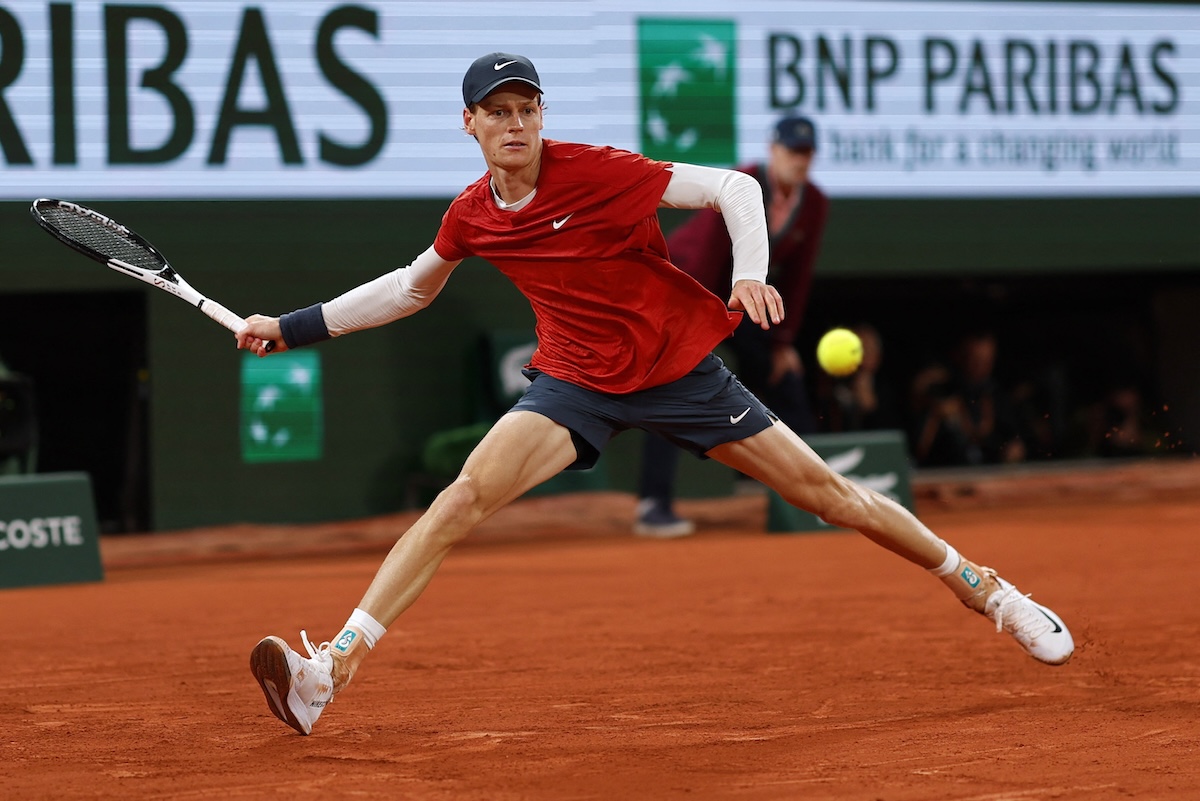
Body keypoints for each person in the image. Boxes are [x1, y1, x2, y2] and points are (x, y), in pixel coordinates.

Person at [237, 52, 1074, 737]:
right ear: (470, 124)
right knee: (460, 499)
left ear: (542, 116)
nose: (516, 123)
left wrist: (750, 274)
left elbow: (734, 189)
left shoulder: (598, 172)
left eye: (527, 107)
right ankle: (330, 672)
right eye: (497, 111)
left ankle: (990, 590)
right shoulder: (472, 215)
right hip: (574, 382)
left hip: (678, 370)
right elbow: (412, 288)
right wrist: (292, 324)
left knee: (830, 494)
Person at [635, 114, 829, 537]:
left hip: (743, 296)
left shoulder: (813, 202)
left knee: (788, 381)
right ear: (773, 150)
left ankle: (817, 499)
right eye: (792, 151)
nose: (800, 161)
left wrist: (782, 342)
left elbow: (796, 278)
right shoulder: (742, 183)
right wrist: (691, 333)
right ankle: (654, 504)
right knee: (670, 388)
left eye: (807, 153)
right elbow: (705, 260)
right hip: (687, 286)